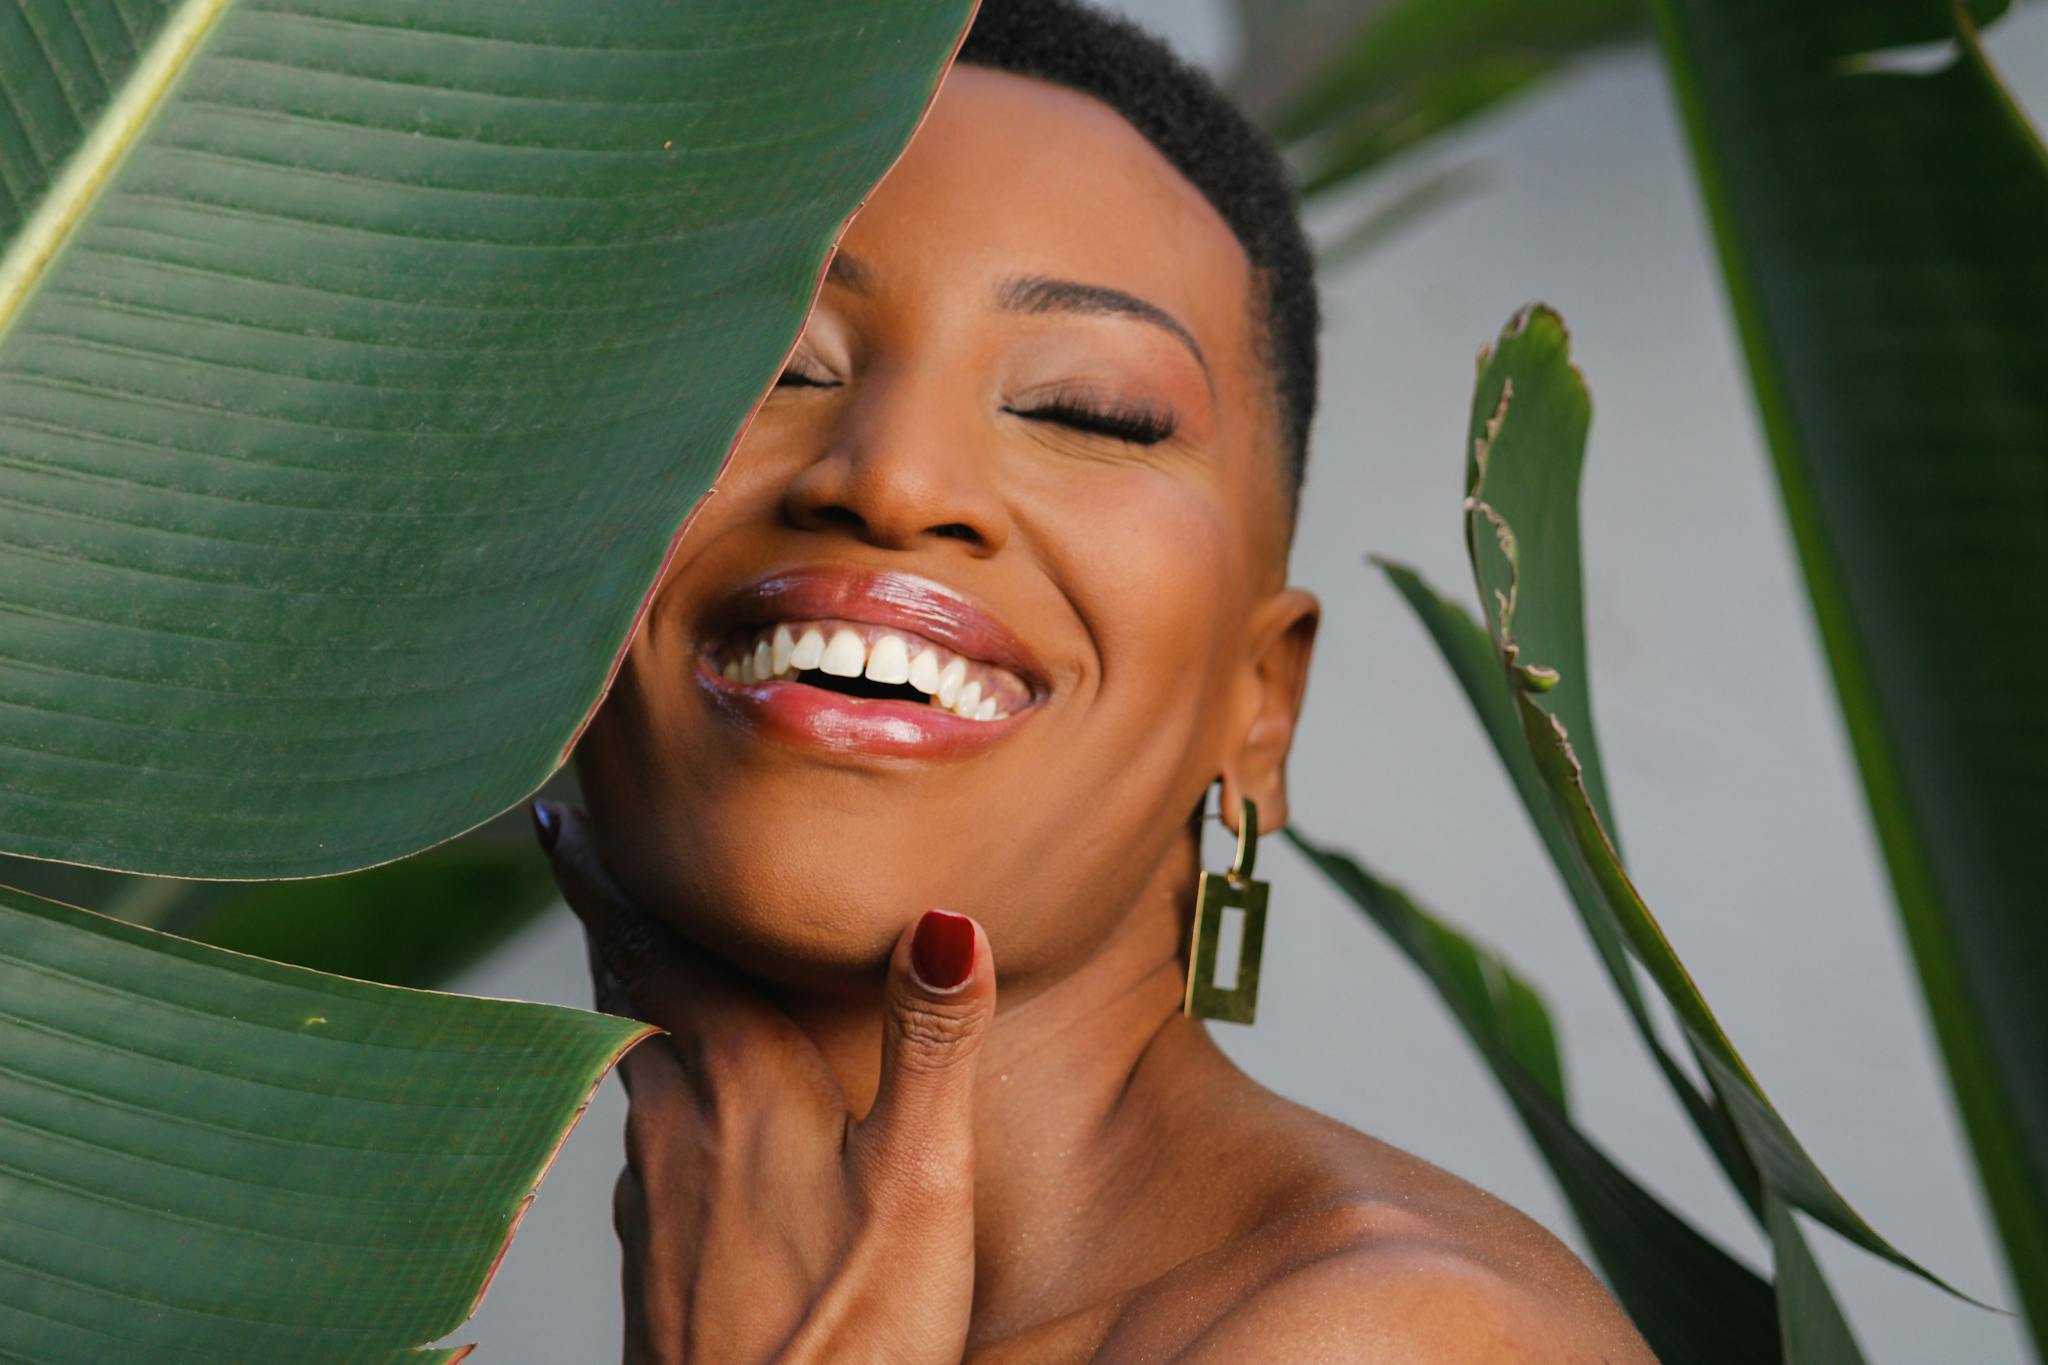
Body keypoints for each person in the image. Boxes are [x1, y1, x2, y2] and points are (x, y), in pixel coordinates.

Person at [535, 1, 1655, 1358]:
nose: (890, 478)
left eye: (1086, 409)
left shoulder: (1385, 1332)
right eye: (772, 367)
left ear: (1262, 704)